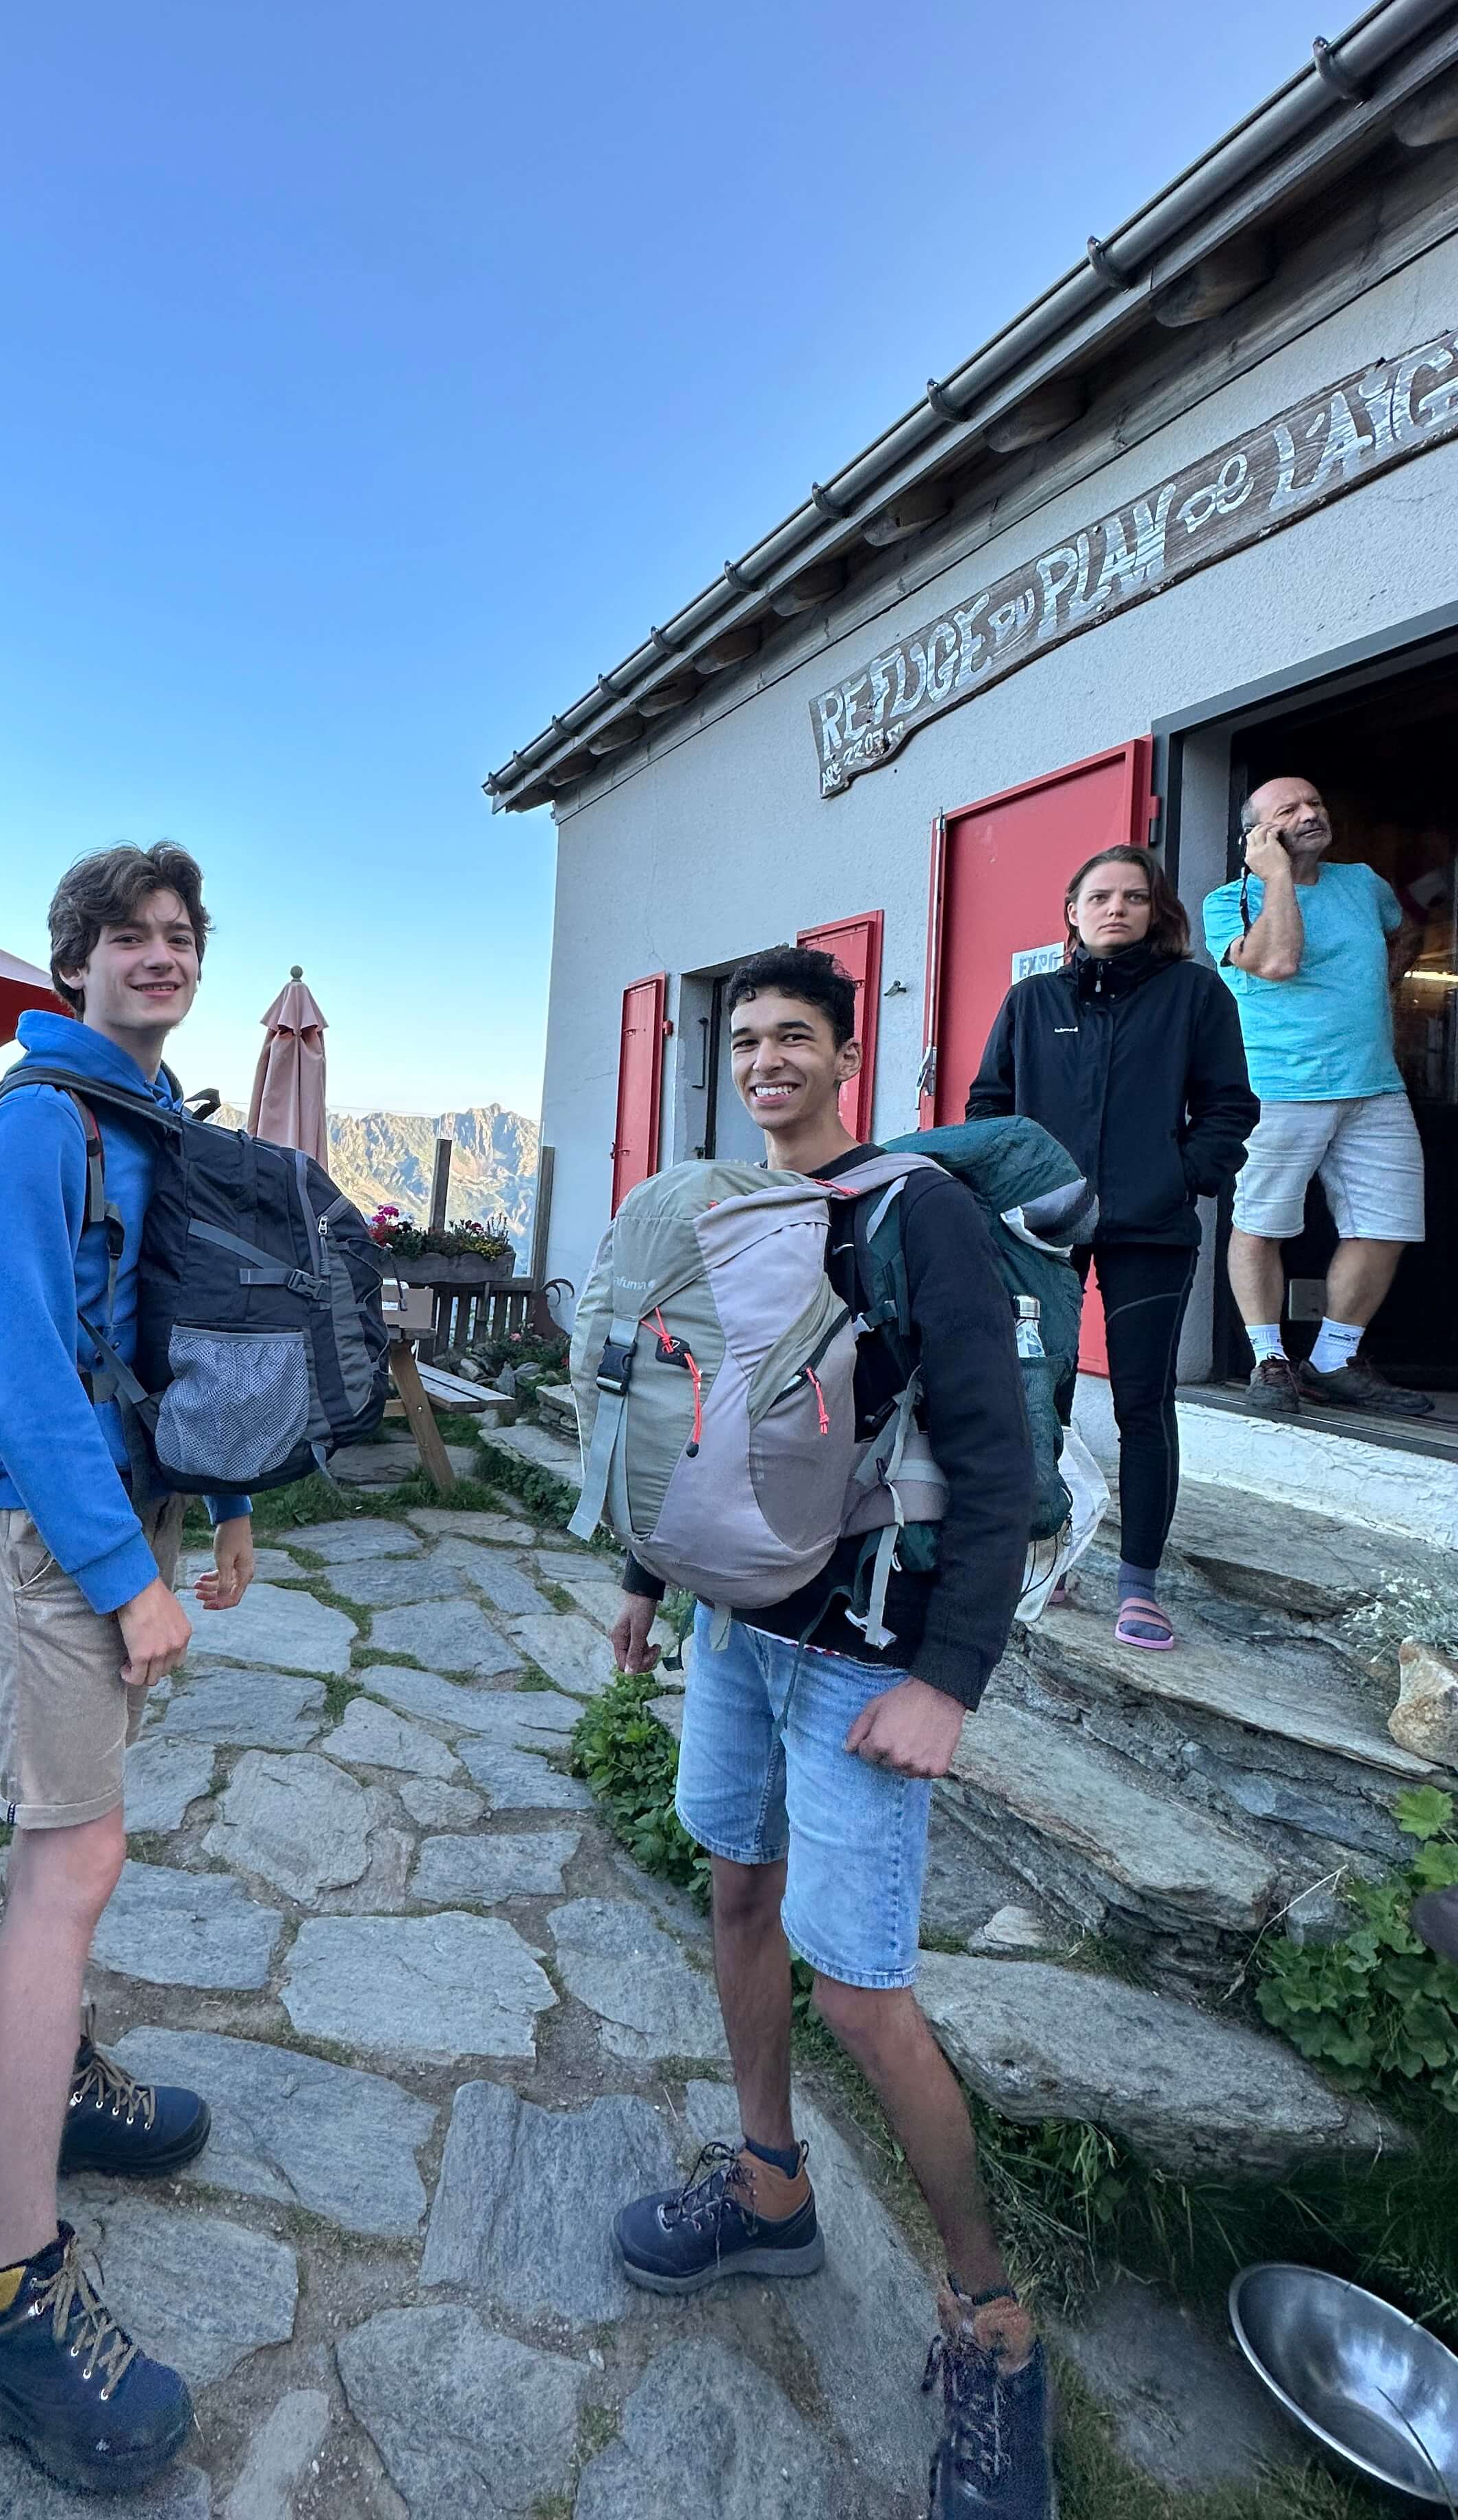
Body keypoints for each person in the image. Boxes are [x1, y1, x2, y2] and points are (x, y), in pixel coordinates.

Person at [607, 945, 1053, 2520]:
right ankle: (770, 2181)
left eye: (798, 1036)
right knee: (735, 1891)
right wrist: (649, 1584)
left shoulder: (913, 1212)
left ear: (847, 1058)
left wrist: (952, 1679)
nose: (769, 1059)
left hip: (869, 1658)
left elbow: (993, 1461)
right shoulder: (739, 1214)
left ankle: (992, 2322)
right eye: (749, 1039)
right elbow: (708, 1421)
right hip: (743, 1629)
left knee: (864, 1995)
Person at [0, 841, 256, 2497]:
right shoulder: (40, 1121)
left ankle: (57, 2089)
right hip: (51, 1527)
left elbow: (154, 1335)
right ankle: (10, 2296)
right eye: (127, 936)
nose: (158, 955)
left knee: (88, 1850)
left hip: (115, 1518)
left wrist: (217, 1509)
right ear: (71, 963)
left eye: (178, 936)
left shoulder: (141, 1114)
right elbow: (28, 1375)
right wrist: (131, 1582)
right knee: (65, 1869)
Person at [968, 845, 1257, 1650]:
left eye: (1134, 897)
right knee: (1040, 1395)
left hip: (1151, 1231)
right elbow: (990, 1105)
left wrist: (1181, 1178)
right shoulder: (1032, 1002)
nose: (1116, 909)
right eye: (1099, 896)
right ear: (1072, 910)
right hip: (1040, 1235)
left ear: (1156, 911)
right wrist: (1012, 1199)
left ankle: (1138, 1586)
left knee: (1142, 1404)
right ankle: (1048, 1555)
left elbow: (1231, 1107)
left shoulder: (1194, 994)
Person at [1201, 777, 1431, 1418]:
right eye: (1290, 811)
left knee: (1387, 1225)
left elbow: (1404, 932)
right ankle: (1268, 1359)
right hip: (1280, 1087)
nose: (1311, 815)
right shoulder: (1228, 902)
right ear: (1257, 832)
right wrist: (1275, 875)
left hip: (1375, 1085)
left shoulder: (1362, 883)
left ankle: (1333, 1359)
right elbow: (1276, 962)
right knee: (1262, 1223)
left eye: (1317, 804)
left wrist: (1388, 997)